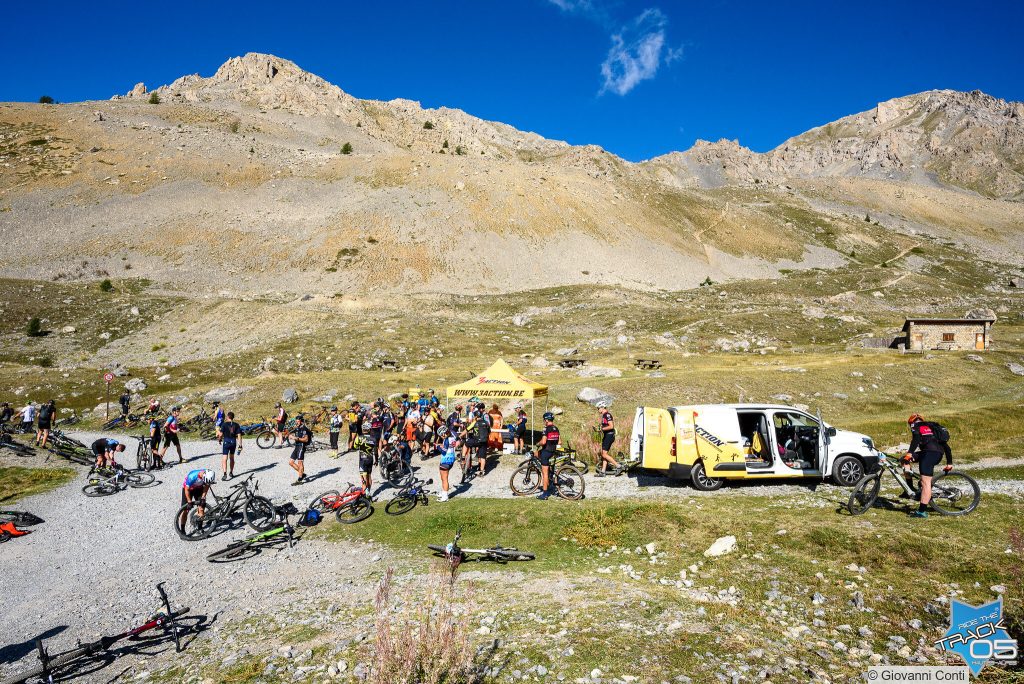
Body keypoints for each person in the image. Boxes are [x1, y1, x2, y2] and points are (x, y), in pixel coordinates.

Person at [902, 414, 953, 519]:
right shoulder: (932, 428)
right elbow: (946, 446)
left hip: (929, 455)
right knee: (903, 460)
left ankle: (922, 512)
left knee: (926, 482)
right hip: (934, 454)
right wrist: (949, 463)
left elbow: (915, 440)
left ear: (911, 423)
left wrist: (910, 453)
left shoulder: (916, 427)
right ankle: (909, 489)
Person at [535, 412, 560, 500]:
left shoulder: (546, 429)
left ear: (546, 420)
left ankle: (545, 494)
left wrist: (538, 443)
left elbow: (543, 442)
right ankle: (549, 476)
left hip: (546, 452)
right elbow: (560, 442)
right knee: (536, 454)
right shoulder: (556, 428)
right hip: (552, 451)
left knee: (544, 473)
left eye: (544, 420)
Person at [594, 403, 624, 477]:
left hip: (609, 435)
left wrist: (601, 429)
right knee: (603, 454)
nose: (598, 410)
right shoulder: (604, 415)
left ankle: (618, 466)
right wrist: (599, 429)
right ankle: (603, 472)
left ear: (602, 407)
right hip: (607, 435)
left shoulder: (607, 415)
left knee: (604, 454)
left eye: (598, 408)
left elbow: (611, 426)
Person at [218, 411, 243, 481]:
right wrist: (240, 445)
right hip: (233, 442)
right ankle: (231, 472)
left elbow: (220, 434)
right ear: (233, 417)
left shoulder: (224, 424)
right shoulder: (237, 425)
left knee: (224, 458)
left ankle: (225, 474)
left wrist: (219, 440)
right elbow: (239, 435)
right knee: (232, 458)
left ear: (227, 417)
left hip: (226, 442)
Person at [289, 414, 312, 485]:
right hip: (297, 446)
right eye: (296, 421)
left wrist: (296, 438)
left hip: (302, 446)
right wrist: (290, 435)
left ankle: (300, 479)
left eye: (298, 421)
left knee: (300, 462)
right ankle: (302, 474)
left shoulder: (304, 428)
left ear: (301, 421)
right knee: (291, 462)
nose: (297, 423)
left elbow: (306, 439)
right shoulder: (297, 427)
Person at [438, 429, 459, 502]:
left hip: (445, 459)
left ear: (443, 434)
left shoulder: (446, 440)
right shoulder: (453, 435)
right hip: (451, 457)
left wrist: (438, 447)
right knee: (444, 478)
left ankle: (445, 496)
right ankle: (443, 492)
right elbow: (458, 439)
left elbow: (443, 452)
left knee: (444, 479)